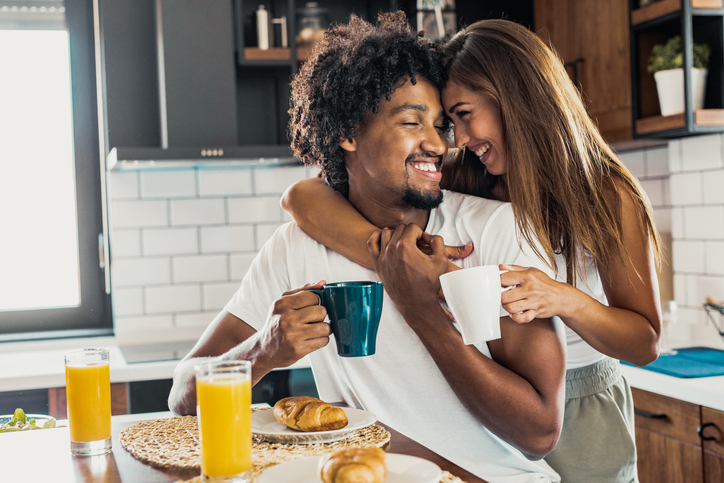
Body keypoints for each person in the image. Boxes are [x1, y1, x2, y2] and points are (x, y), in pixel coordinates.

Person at [169, 13, 567, 483]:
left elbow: (540, 432)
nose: (437, 143)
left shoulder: (496, 231)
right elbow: (182, 397)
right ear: (348, 133)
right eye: (411, 121)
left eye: (440, 125)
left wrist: (423, 310)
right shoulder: (295, 249)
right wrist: (264, 351)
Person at [281, 18, 664, 483]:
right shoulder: (471, 176)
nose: (455, 140)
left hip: (583, 410)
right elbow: (302, 197)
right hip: (501, 410)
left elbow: (644, 342)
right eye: (450, 122)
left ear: (516, 101)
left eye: (463, 115)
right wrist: (399, 265)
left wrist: (564, 298)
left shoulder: (606, 194)